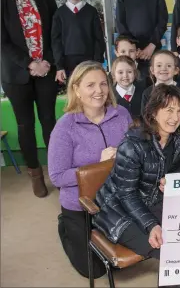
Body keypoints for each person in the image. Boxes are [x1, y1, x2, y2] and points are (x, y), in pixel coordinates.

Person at [48, 61, 131, 278]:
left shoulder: (121, 114)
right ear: (76, 89)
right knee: (94, 271)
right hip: (80, 204)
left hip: (115, 199)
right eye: (90, 85)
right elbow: (57, 177)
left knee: (117, 262)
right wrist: (97, 165)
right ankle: (65, 226)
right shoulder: (65, 127)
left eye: (103, 84)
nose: (99, 91)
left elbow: (134, 151)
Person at [92, 85, 180, 260]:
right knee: (170, 252)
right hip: (118, 210)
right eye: (169, 110)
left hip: (155, 202)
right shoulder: (132, 145)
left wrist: (172, 180)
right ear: (153, 112)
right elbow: (126, 194)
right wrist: (151, 225)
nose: (175, 117)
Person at [1, 0, 58, 197]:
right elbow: (2, 41)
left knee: (49, 122)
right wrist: (29, 63)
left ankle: (57, 168)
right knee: (26, 125)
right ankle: (35, 173)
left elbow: (56, 33)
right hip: (17, 74)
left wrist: (47, 62)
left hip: (46, 70)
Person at [115, 0, 168, 83]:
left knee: (153, 82)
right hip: (130, 51)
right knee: (133, 82)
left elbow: (162, 22)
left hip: (153, 49)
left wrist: (151, 46)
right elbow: (120, 23)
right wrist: (133, 48)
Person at [52, 0, 105, 81]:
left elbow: (98, 38)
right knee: (73, 91)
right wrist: (59, 66)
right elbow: (55, 41)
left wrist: (98, 61)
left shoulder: (91, 11)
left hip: (89, 60)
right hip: (67, 62)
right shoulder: (59, 13)